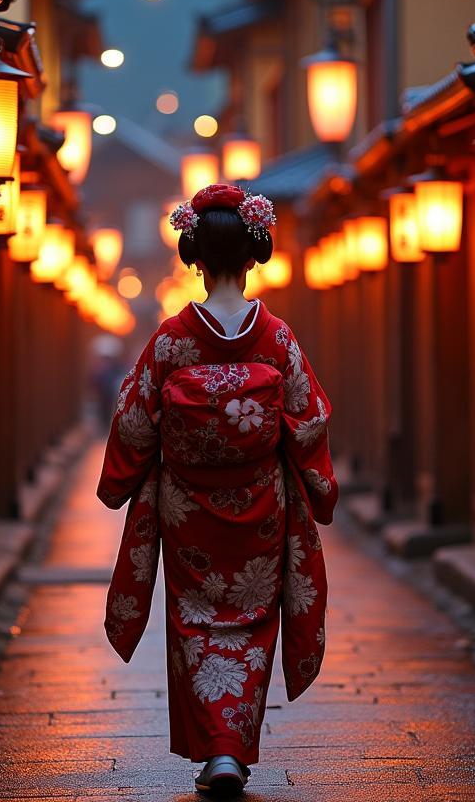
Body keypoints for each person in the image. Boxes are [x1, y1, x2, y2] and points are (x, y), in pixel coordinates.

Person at [97, 184, 338, 797]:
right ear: (254, 254)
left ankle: (217, 752)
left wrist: (119, 483)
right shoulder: (276, 338)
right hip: (260, 506)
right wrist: (318, 486)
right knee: (255, 619)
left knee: (195, 621)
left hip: (188, 512)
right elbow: (308, 419)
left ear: (194, 255)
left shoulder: (174, 337)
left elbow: (133, 419)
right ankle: (233, 749)